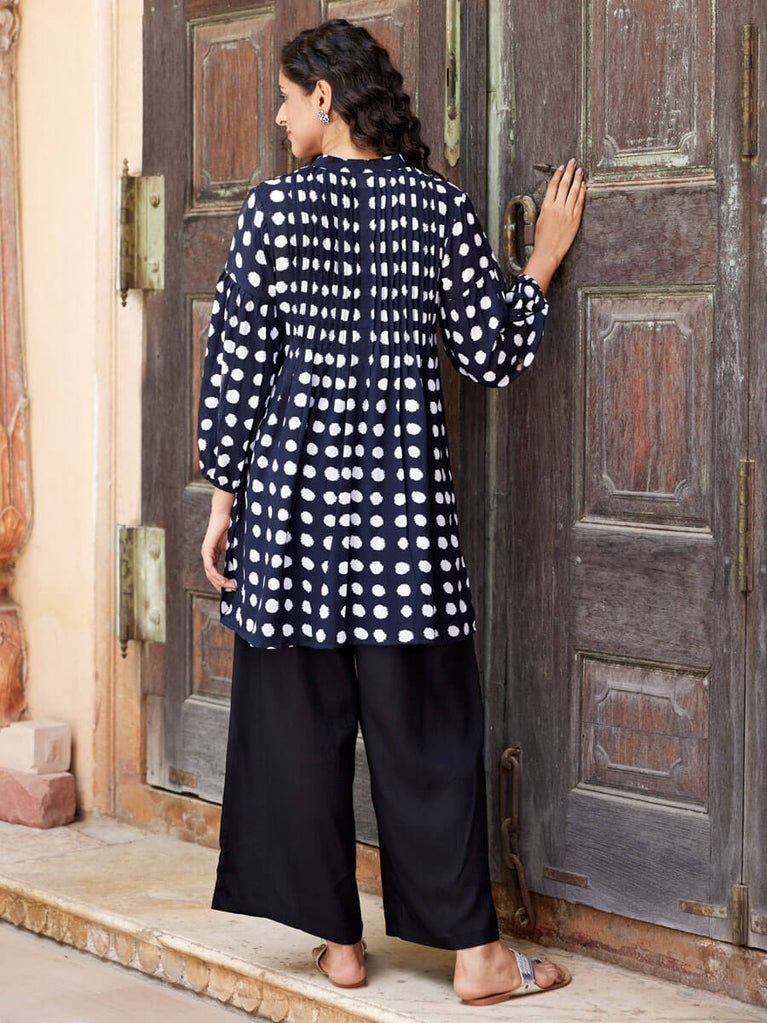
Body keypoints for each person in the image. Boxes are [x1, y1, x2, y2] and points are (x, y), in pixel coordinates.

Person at [197, 18, 584, 1007]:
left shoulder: (272, 210)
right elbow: (491, 351)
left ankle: (338, 944)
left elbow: (237, 369)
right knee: (429, 730)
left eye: (287, 98)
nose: (278, 116)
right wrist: (540, 259)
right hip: (403, 517)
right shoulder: (436, 209)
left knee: (297, 727)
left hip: (291, 510)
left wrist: (222, 496)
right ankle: (475, 956)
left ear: (326, 99)